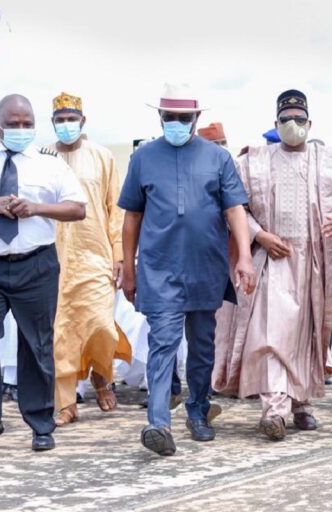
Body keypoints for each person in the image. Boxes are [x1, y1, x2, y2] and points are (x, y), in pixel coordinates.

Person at [213, 89, 332, 441]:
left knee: (304, 338)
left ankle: (301, 403)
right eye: (286, 120)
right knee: (270, 336)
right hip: (270, 262)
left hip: (314, 264)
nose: (293, 125)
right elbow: (234, 206)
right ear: (276, 123)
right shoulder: (252, 162)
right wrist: (260, 235)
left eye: (299, 119)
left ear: (310, 123)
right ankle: (274, 410)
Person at [118, 83, 256, 456]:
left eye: (183, 117)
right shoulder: (143, 158)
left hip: (205, 267)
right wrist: (128, 267)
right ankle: (158, 423)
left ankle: (197, 410)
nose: (176, 123)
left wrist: (244, 257)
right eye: (169, 117)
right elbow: (132, 216)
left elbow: (235, 209)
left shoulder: (218, 158)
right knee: (162, 342)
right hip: (159, 268)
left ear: (196, 118)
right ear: (159, 117)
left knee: (202, 344)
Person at [0, 94, 87, 451]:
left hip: (37, 264)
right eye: (13, 124)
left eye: (27, 124)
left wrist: (36, 208)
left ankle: (40, 424)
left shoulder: (51, 165)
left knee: (37, 345)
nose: (21, 129)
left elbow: (77, 209)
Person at [47, 92, 132, 426]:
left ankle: (101, 374)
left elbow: (116, 210)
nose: (66, 124)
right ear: (53, 123)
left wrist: (119, 255)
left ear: (82, 121)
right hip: (55, 258)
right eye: (60, 120)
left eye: (72, 119)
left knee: (101, 325)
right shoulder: (43, 158)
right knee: (61, 330)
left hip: (96, 255)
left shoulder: (102, 156)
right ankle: (66, 402)